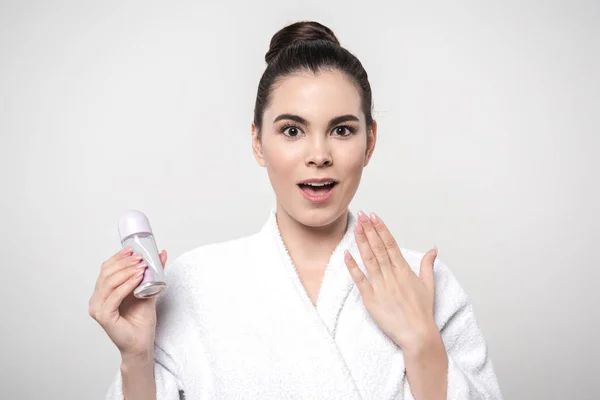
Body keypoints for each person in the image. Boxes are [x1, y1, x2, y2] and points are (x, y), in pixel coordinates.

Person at [89, 21, 502, 400]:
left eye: (342, 130)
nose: (319, 155)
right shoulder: (192, 285)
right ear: (257, 142)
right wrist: (136, 359)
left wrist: (422, 341)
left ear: (370, 142)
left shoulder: (424, 287)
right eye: (292, 130)